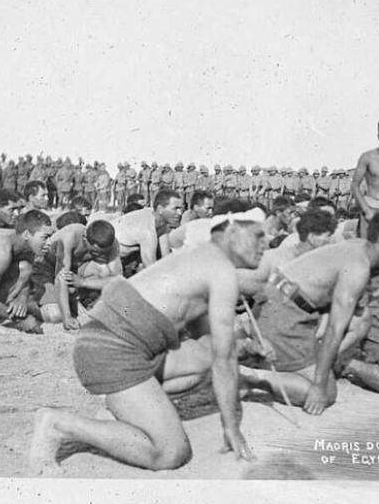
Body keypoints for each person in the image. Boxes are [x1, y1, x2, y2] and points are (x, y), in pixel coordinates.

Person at [28, 203, 266, 474]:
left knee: (203, 357)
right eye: (258, 236)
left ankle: (126, 406)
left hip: (101, 342)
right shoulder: (220, 270)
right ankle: (58, 424)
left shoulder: (199, 256)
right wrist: (230, 427)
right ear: (233, 233)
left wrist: (244, 346)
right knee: (170, 452)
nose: (265, 244)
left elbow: (211, 345)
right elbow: (225, 361)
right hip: (111, 353)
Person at [240, 210, 379, 414]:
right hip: (282, 313)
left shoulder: (359, 246)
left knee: (362, 318)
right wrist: (319, 385)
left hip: (284, 302)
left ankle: (308, 366)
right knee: (327, 393)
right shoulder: (358, 267)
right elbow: (335, 329)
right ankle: (247, 377)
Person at [35, 220, 122, 331]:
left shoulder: (112, 243)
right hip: (47, 269)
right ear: (85, 239)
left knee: (103, 270)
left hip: (76, 270)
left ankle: (80, 300)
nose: (99, 255)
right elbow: (61, 279)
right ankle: (31, 304)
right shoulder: (69, 237)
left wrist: (83, 282)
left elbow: (118, 281)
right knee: (55, 315)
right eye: (95, 252)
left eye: (103, 252)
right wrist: (67, 317)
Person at [111, 189, 183, 273]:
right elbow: (150, 268)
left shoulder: (161, 222)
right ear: (160, 209)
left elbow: (166, 258)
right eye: (175, 209)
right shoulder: (147, 228)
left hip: (124, 257)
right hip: (108, 256)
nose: (180, 213)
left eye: (181, 209)